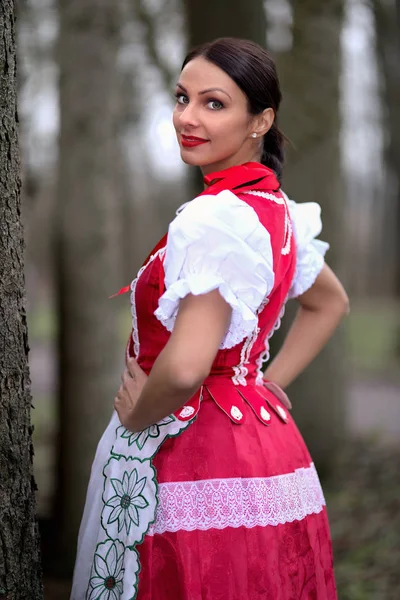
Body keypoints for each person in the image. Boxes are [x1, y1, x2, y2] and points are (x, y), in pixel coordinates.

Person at [70, 37, 348, 600]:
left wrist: (137, 419)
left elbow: (184, 368)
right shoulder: (278, 213)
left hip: (190, 450)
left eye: (213, 103)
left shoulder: (215, 218)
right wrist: (261, 384)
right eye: (182, 98)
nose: (187, 118)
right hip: (271, 456)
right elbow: (329, 302)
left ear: (260, 121)